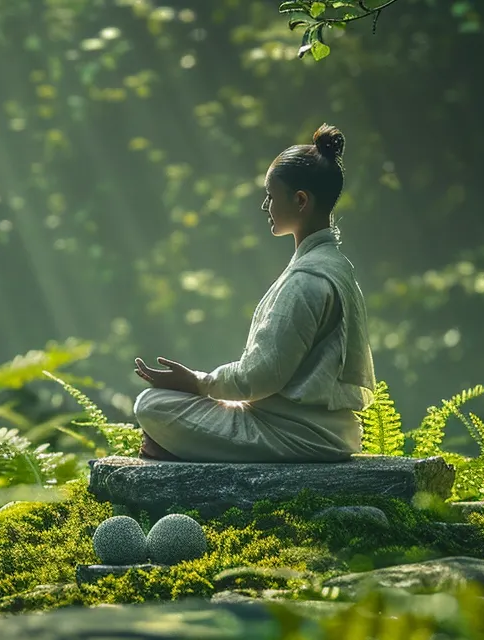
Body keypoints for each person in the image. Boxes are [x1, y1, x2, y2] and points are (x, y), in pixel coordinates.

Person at [131, 123, 377, 463]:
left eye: (271, 196)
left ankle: (173, 449)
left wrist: (198, 382)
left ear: (301, 200)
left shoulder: (308, 280)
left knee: (151, 405)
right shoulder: (336, 267)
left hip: (295, 434)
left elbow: (260, 377)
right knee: (161, 406)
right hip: (324, 431)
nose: (265, 206)